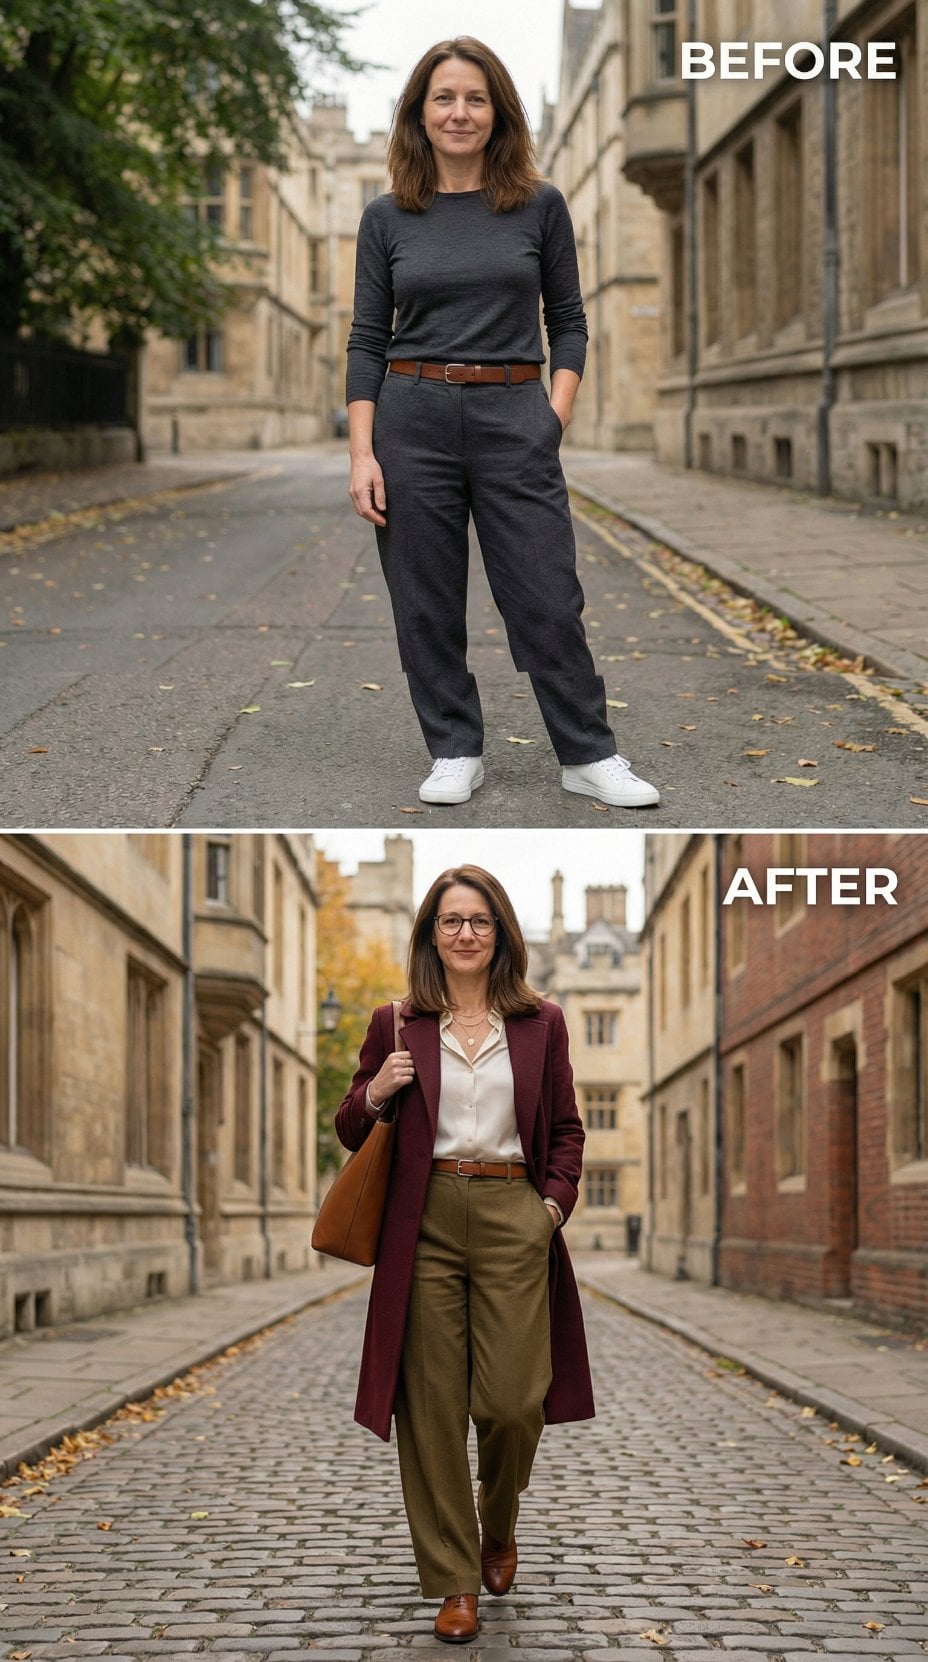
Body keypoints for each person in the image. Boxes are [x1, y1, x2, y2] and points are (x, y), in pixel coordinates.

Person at [345, 36, 659, 811]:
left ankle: (588, 754)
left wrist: (551, 416)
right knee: (425, 596)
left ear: (498, 112)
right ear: (420, 114)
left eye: (475, 98)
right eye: (444, 98)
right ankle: (455, 748)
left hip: (514, 412)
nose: (459, 112)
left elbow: (571, 322)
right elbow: (366, 340)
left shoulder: (539, 205)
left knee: (547, 592)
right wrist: (362, 452)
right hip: (411, 417)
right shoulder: (388, 218)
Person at [335, 864, 594, 1643]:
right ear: (430, 935)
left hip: (516, 1208)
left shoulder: (541, 1020)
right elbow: (350, 1126)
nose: (465, 934)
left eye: (479, 920)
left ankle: (499, 1525)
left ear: (501, 933)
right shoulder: (397, 1021)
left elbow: (569, 1129)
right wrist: (379, 1085)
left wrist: (550, 1205)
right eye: (451, 921)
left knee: (515, 1401)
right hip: (425, 1218)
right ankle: (454, 1582)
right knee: (432, 1407)